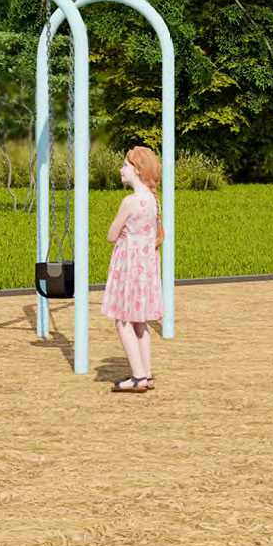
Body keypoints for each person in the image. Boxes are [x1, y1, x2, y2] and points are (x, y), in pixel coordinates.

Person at [102, 145, 167, 392]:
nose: (122, 169)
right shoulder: (151, 201)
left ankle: (137, 376)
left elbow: (111, 235)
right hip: (145, 267)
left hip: (129, 266)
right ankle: (146, 374)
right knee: (140, 322)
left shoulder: (130, 202)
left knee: (122, 320)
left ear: (137, 171)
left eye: (126, 166)